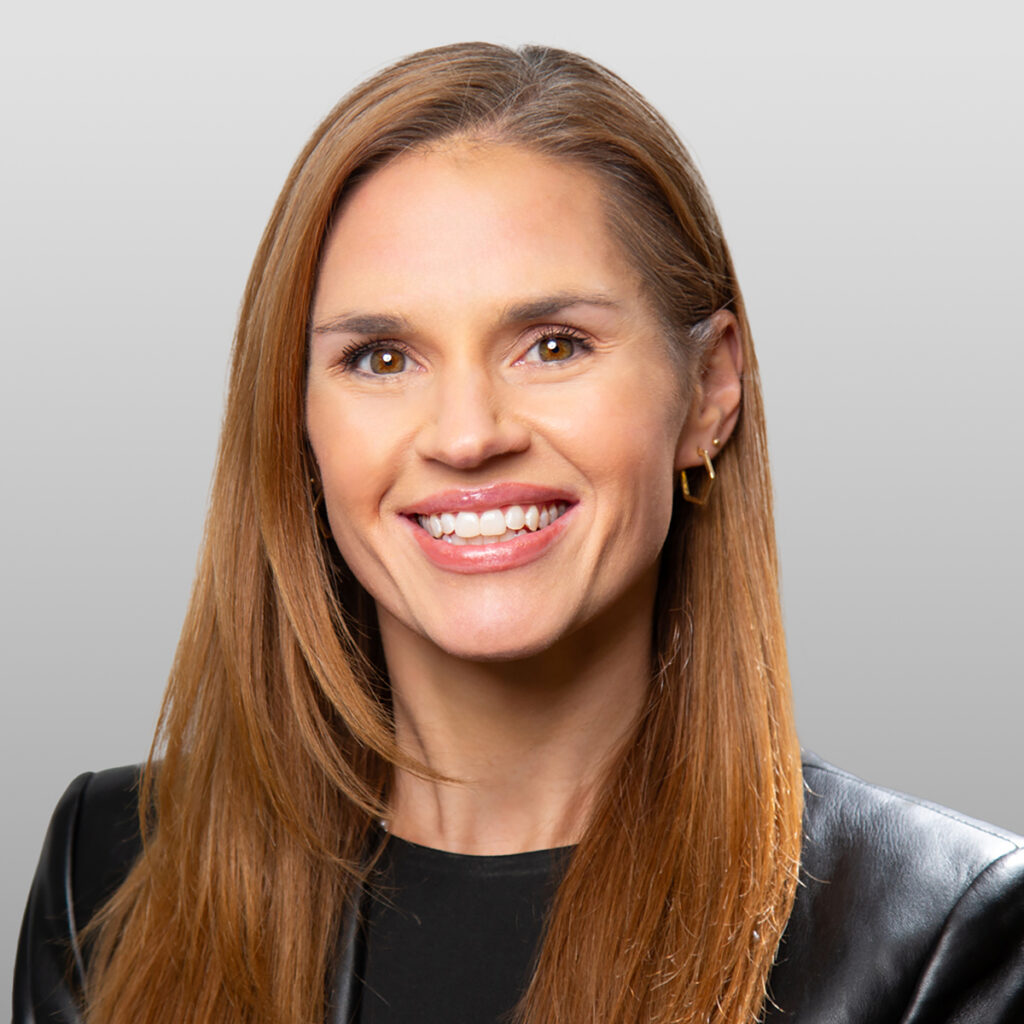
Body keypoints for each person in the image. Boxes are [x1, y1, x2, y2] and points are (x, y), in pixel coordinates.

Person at [14, 42, 1024, 1024]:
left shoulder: (944, 928)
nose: (466, 435)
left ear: (710, 388)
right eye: (379, 357)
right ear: (297, 419)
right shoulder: (106, 870)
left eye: (553, 345)